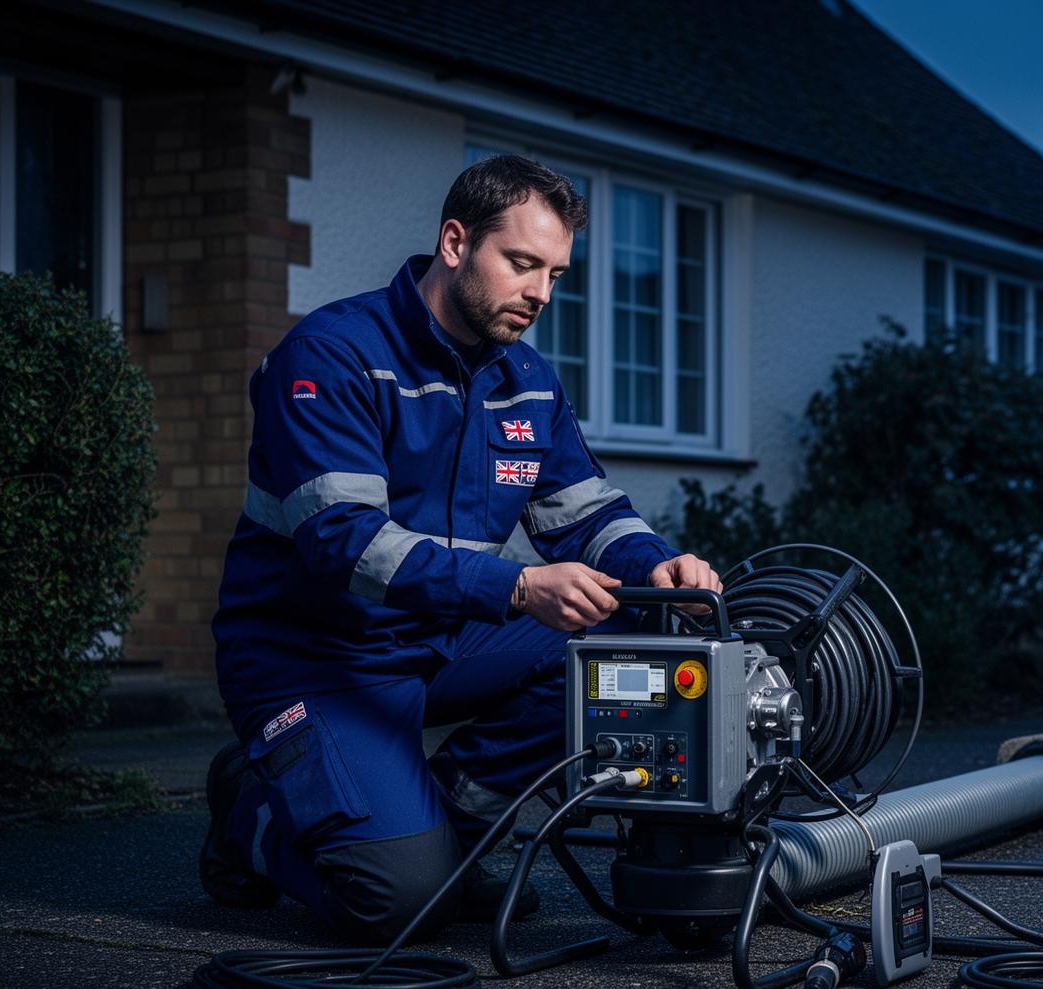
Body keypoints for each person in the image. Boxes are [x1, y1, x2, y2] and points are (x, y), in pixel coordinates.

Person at [199, 154, 721, 943]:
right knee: (397, 904)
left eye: (555, 274)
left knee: (628, 643)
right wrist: (520, 589)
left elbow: (586, 514)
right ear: (454, 242)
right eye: (522, 264)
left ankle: (456, 834)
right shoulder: (331, 355)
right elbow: (345, 543)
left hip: (438, 640)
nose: (542, 293)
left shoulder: (529, 382)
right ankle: (250, 814)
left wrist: (656, 564)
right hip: (312, 656)